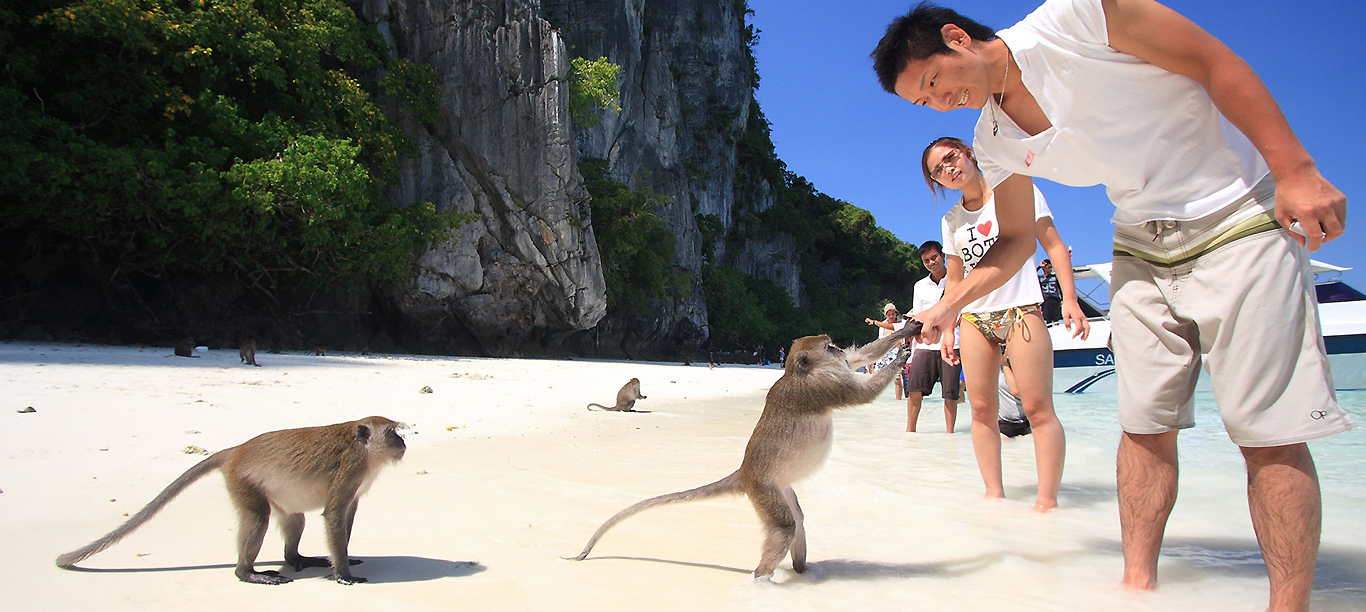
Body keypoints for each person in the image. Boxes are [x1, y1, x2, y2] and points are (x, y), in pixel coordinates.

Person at [872, 1, 1353, 607]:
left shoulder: (1078, 16)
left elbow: (1213, 61)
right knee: (1143, 425)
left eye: (935, 84)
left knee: (1268, 434)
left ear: (955, 38)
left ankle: (1290, 603)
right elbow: (1017, 238)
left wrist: (1296, 169)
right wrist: (949, 304)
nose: (940, 104)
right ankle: (1136, 589)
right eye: (924, 103)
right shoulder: (991, 139)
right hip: (1138, 238)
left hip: (1235, 212)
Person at [921, 136, 1089, 512]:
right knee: (982, 409)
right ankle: (994, 496)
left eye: (950, 158)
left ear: (968, 152)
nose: (948, 169)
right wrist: (949, 328)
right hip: (974, 319)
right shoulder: (950, 221)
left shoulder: (1013, 192)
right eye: (938, 170)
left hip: (1021, 310)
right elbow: (954, 278)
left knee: (1038, 407)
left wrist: (1070, 300)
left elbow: (1053, 245)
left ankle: (1047, 502)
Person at [905, 241, 963, 433]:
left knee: (950, 393)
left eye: (934, 257)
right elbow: (919, 314)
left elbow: (964, 310)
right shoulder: (920, 286)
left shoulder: (958, 280)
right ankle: (910, 431)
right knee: (914, 388)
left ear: (943, 255)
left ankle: (950, 435)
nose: (931, 262)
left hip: (952, 341)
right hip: (926, 345)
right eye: (926, 260)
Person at [865, 302, 909, 400]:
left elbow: (904, 340)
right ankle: (871, 399)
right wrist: (875, 357)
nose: (891, 316)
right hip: (885, 352)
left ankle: (898, 401)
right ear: (886, 314)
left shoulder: (901, 324)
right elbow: (881, 341)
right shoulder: (883, 325)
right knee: (874, 377)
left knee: (896, 379)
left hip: (896, 353)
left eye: (892, 313)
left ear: (896, 313)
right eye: (889, 314)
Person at [997, 348, 1031, 439]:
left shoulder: (1020, 367)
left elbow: (1015, 390)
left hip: (1026, 421)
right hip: (1004, 423)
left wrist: (1005, 364)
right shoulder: (993, 368)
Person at [1037, 259, 1063, 324]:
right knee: (1047, 318)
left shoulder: (1055, 277)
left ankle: (1056, 329)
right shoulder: (1040, 278)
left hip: (1055, 299)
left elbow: (1060, 288)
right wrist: (1040, 267)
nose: (1050, 269)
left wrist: (1063, 298)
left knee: (1056, 319)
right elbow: (1032, 275)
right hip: (1045, 300)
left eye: (1051, 267)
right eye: (1049, 267)